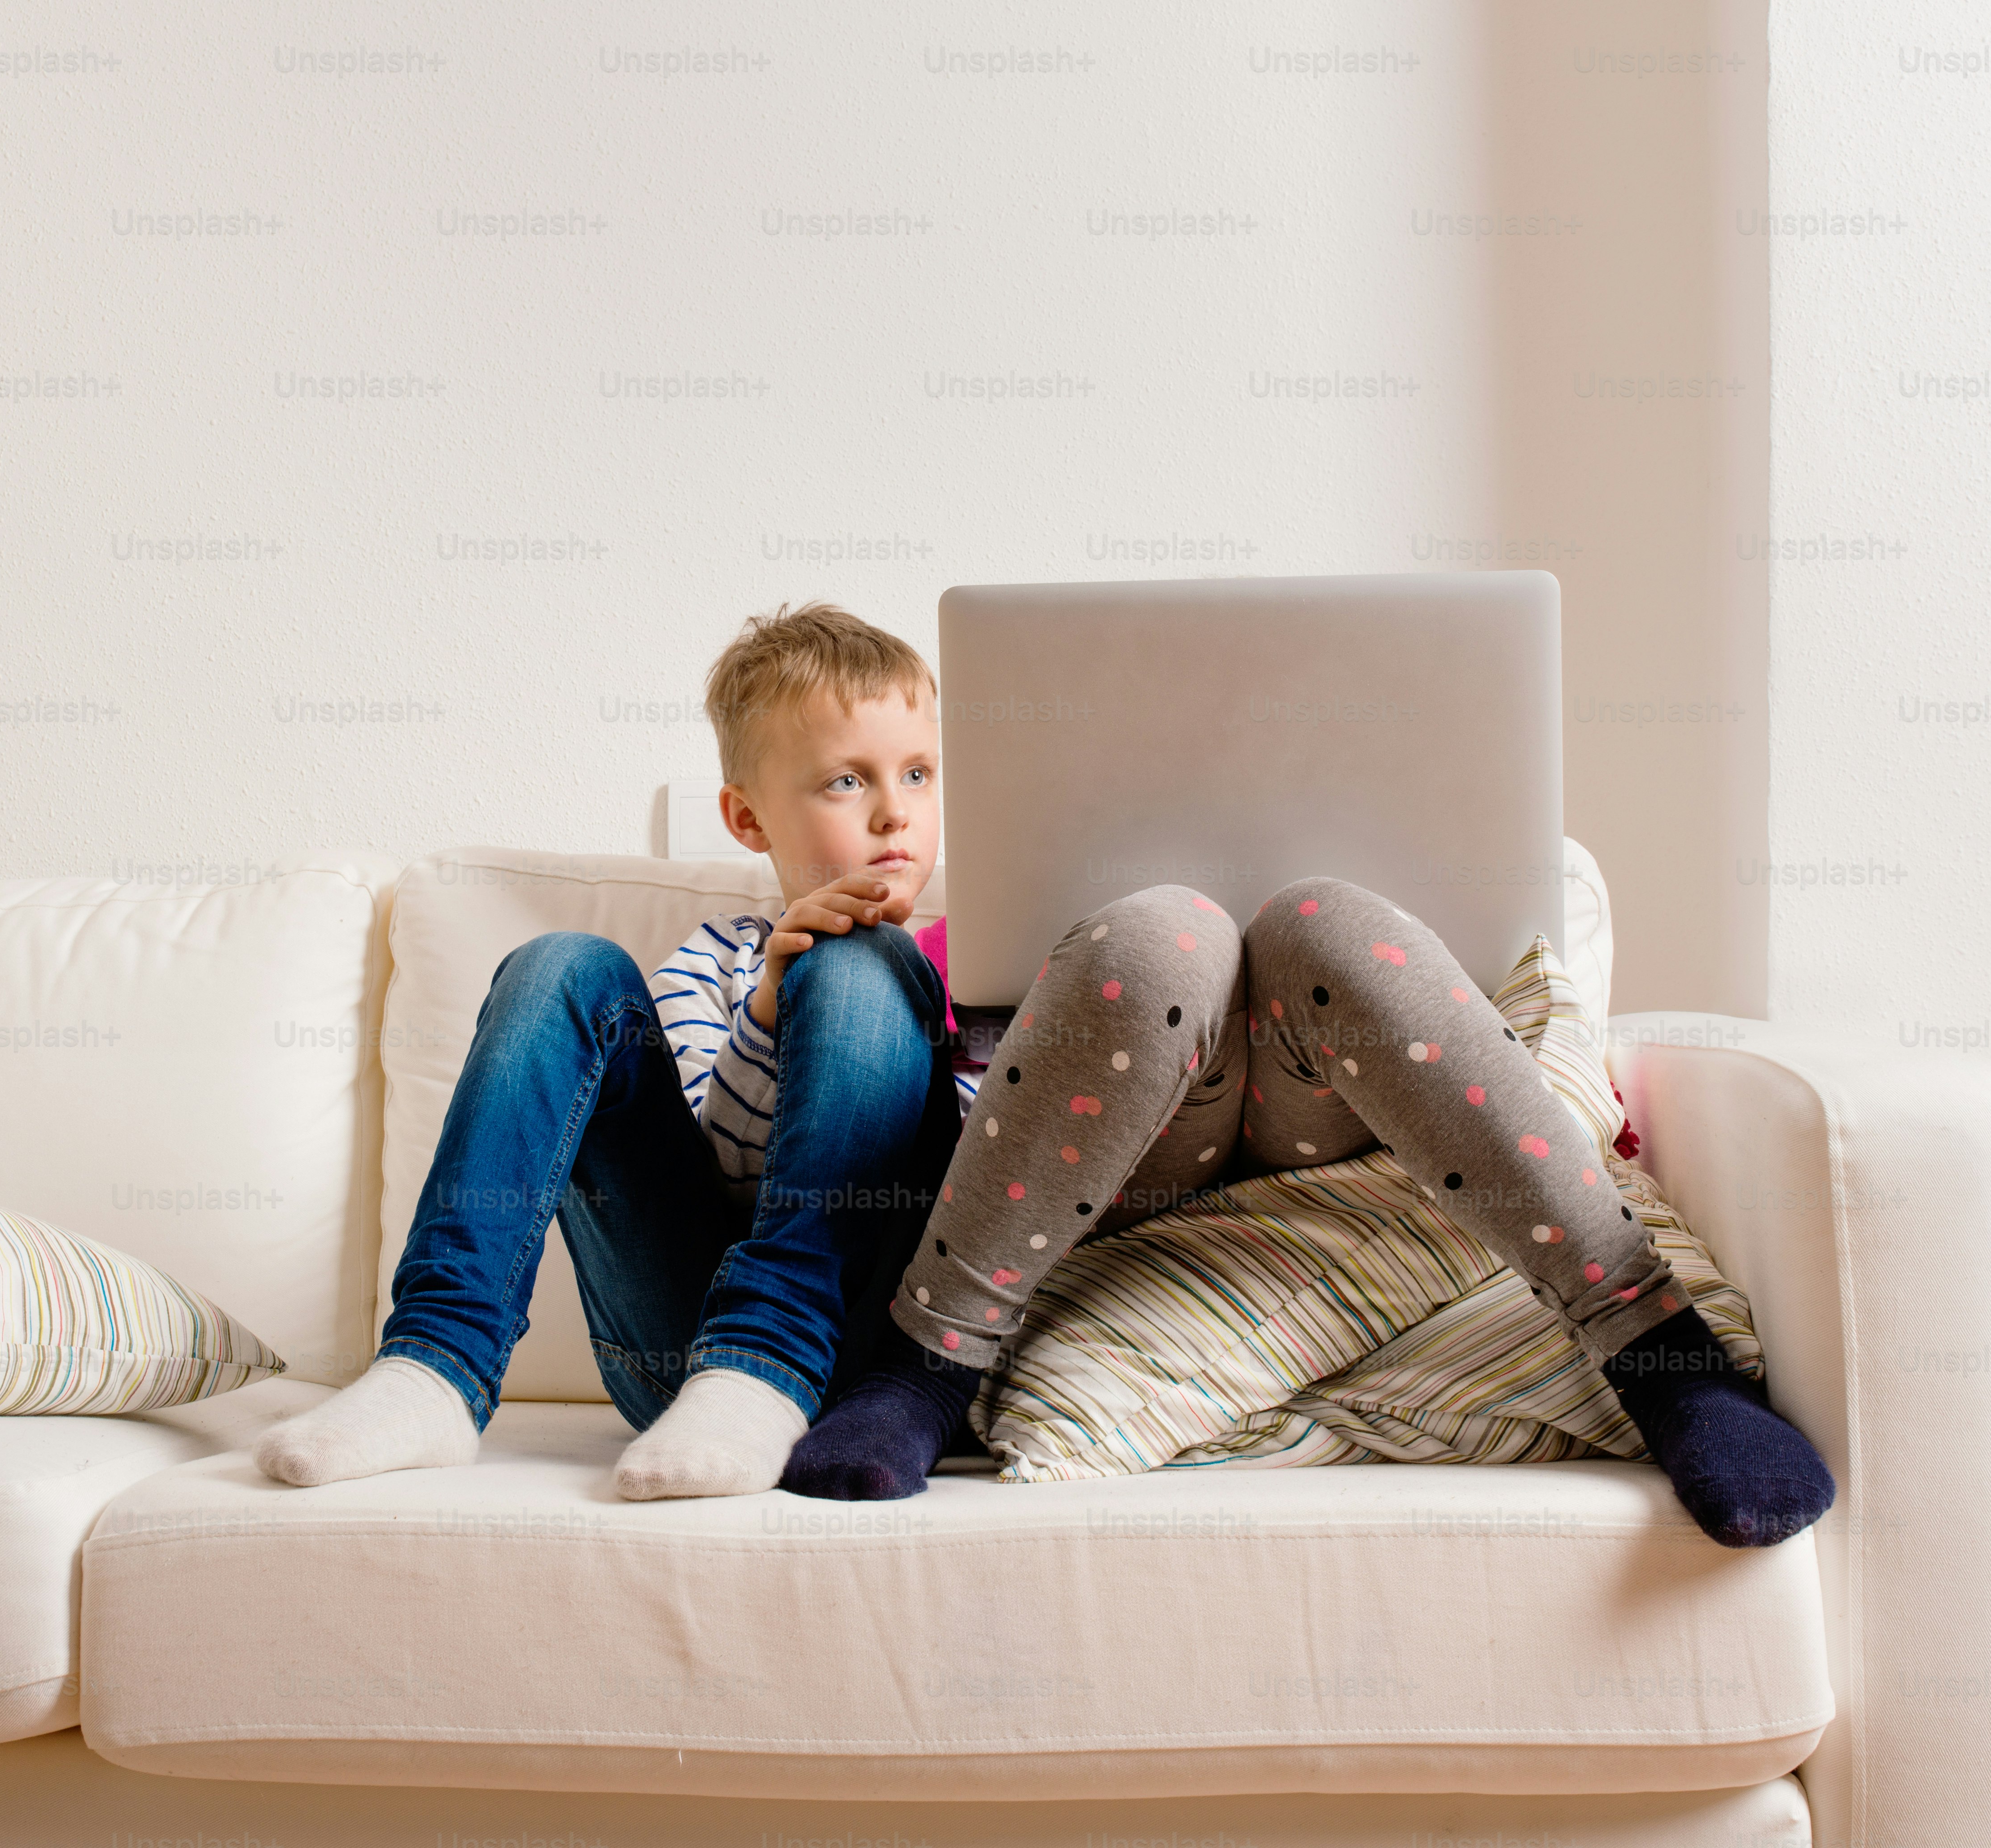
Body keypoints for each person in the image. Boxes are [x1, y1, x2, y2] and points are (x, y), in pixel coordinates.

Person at [780, 875, 1840, 1548]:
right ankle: (925, 1363)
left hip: (1331, 1094)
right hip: (1127, 1151)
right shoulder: (914, 954)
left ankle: (1656, 1347)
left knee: (1323, 919)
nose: (888, 810)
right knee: (1160, 934)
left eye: (913, 775)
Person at [257, 603, 966, 1498]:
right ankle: (434, 1365)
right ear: (747, 817)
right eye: (846, 782)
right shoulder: (715, 964)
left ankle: (773, 1361)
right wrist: (770, 1007)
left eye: (917, 773)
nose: (895, 812)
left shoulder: (978, 960)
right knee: (561, 963)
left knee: (864, 958)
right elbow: (713, 1170)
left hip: (896, 1365)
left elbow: (1004, 1202)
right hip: (687, 1361)